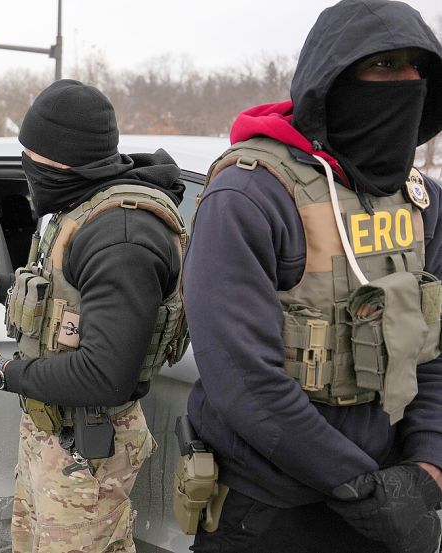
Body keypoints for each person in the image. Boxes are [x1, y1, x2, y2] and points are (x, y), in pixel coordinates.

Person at [182, 1, 442, 551]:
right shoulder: (250, 194)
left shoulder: (421, 204)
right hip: (271, 504)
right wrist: (360, 486)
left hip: (393, 494)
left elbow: (433, 351)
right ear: (334, 79)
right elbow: (243, 381)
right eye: (384, 65)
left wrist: (427, 468)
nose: (407, 82)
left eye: (417, 67)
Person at [0, 80, 189, 553]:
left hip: (88, 451)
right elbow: (66, 304)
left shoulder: (122, 236)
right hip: (54, 435)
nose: (26, 167)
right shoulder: (87, 208)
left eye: (31, 157)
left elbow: (105, 375)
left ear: (61, 158)